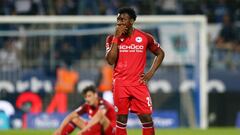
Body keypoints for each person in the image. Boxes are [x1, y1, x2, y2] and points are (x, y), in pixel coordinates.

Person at [105, 7, 165, 135]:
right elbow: (110, 61)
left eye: (123, 19)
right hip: (120, 84)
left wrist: (151, 72)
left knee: (147, 118)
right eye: (118, 19)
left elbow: (160, 53)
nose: (120, 22)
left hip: (138, 84)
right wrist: (116, 38)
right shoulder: (111, 39)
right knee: (121, 120)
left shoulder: (144, 37)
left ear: (131, 21)